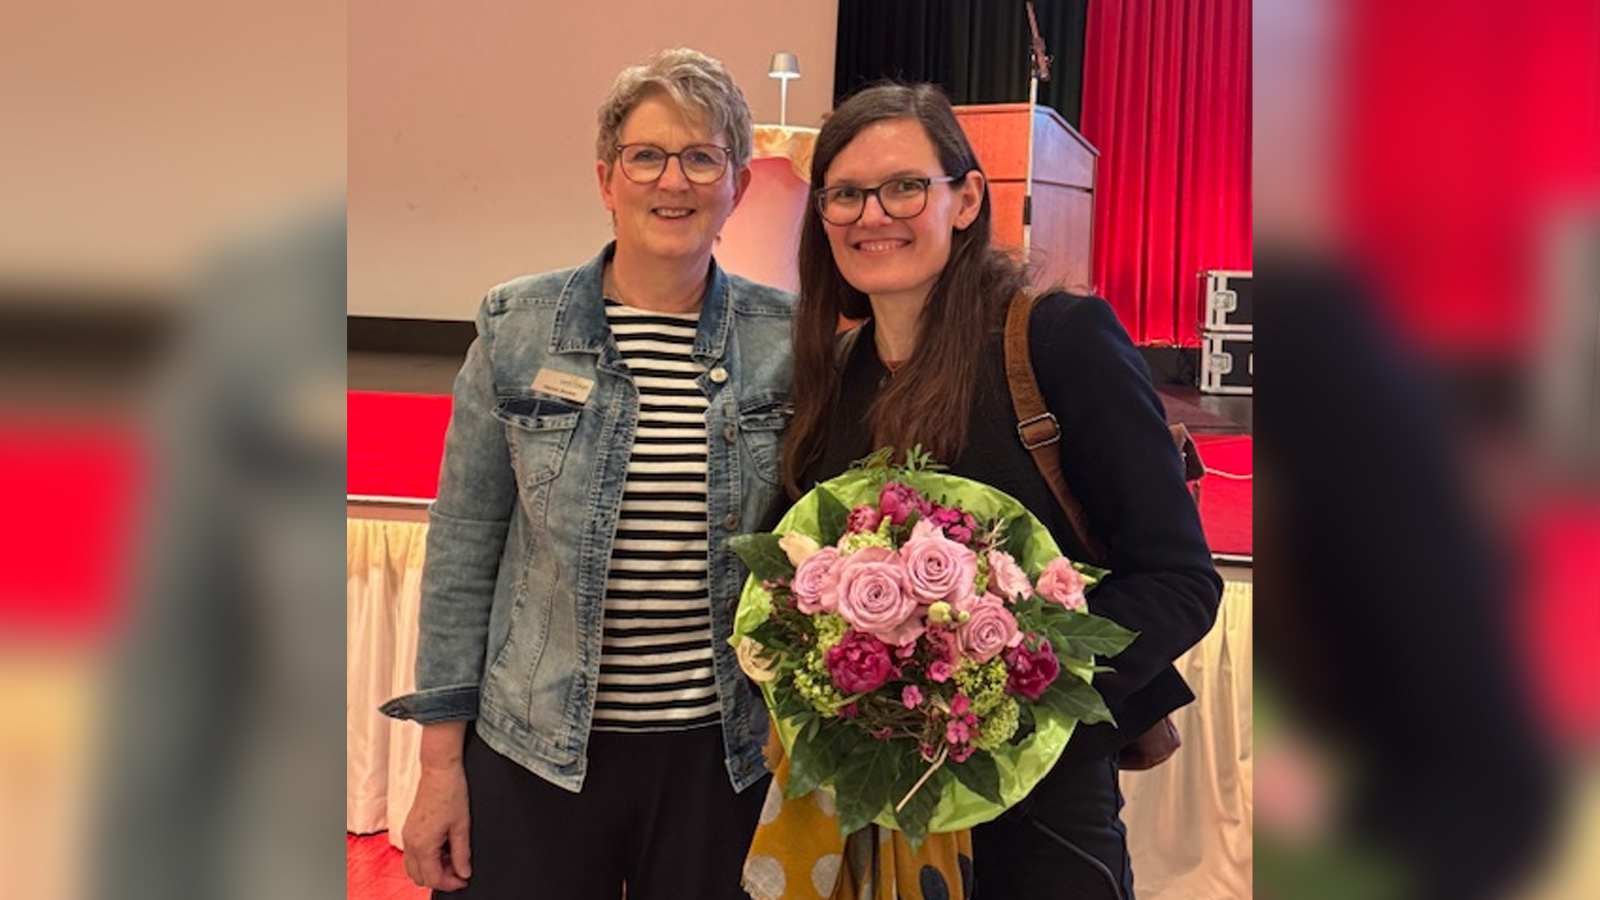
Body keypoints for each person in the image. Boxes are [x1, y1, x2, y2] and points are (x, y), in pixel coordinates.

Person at [781, 82, 1222, 899]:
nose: (872, 215)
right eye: (845, 194)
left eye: (905, 186)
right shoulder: (832, 374)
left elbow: (1179, 581)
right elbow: (789, 575)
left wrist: (1005, 696)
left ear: (967, 198)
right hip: (874, 803)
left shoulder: (1056, 340)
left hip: (1042, 808)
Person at [380, 48, 793, 899]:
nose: (672, 180)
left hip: (721, 759)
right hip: (535, 749)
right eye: (647, 155)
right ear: (607, 179)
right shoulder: (517, 326)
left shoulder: (790, 339)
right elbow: (463, 548)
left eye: (702, 156)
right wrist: (439, 768)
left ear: (739, 186)